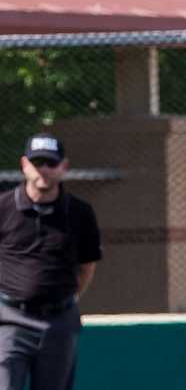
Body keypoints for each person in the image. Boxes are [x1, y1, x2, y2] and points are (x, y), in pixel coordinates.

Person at [0, 134, 102, 390]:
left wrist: (65, 300)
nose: (43, 169)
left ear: (63, 167)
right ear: (24, 165)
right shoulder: (3, 207)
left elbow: (87, 266)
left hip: (59, 323)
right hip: (9, 320)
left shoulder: (79, 212)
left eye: (51, 163)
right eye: (37, 163)